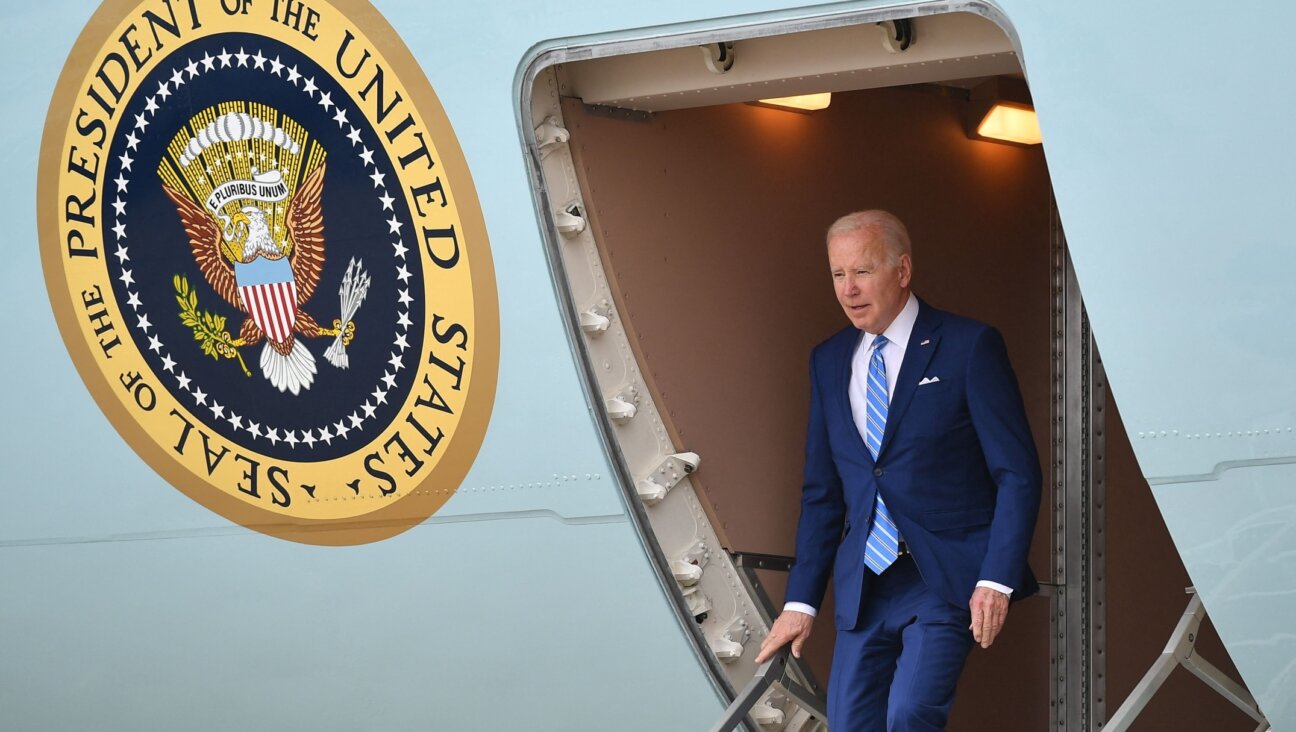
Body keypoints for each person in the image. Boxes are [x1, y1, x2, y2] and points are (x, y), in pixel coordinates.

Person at [755, 210, 1042, 731]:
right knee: (849, 724)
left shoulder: (968, 345)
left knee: (910, 714)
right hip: (864, 583)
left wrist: (996, 579)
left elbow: (1017, 473)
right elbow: (823, 493)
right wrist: (800, 602)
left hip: (943, 574)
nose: (848, 289)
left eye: (862, 271)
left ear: (903, 270)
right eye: (838, 275)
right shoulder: (828, 359)